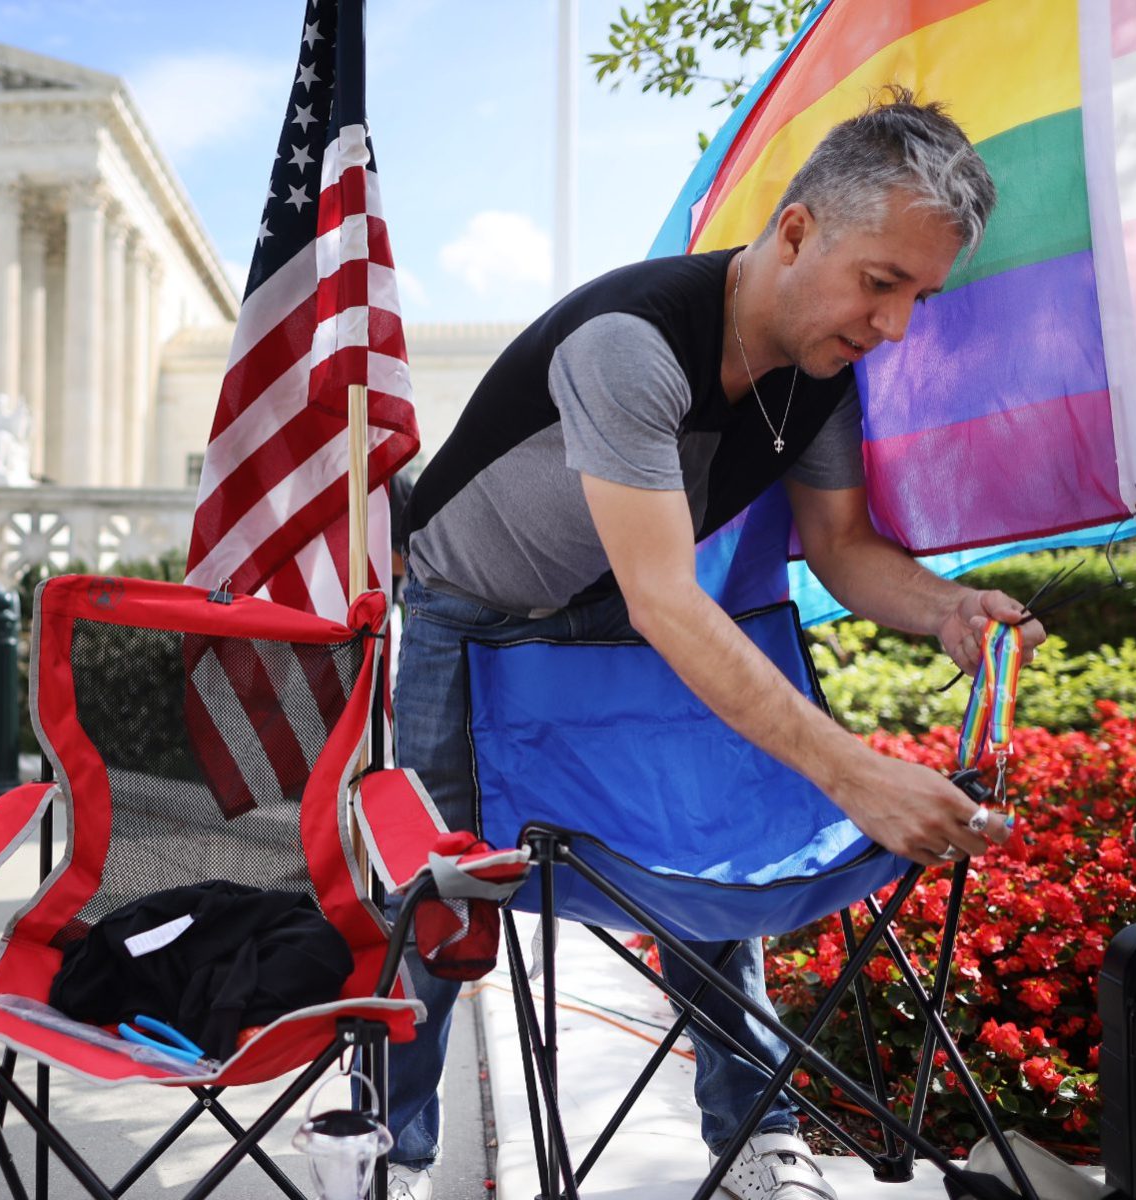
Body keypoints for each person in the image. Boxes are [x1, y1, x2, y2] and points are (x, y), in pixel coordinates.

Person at [386, 89, 1044, 1200]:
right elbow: (665, 600)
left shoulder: (818, 370)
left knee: (711, 843)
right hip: (469, 613)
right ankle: (387, 1151)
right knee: (437, 895)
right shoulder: (628, 346)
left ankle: (752, 1145)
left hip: (612, 608)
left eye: (916, 299)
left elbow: (840, 547)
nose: (892, 326)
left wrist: (943, 608)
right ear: (793, 231)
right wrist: (854, 772)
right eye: (879, 284)